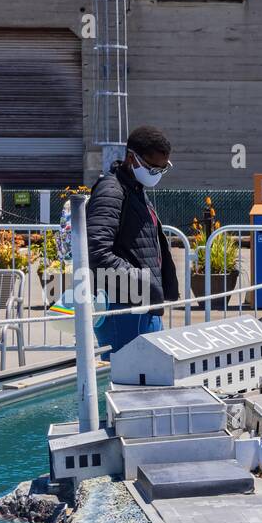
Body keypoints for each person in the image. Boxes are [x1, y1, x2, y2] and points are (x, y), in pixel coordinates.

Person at [86, 125, 179, 353]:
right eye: (152, 167)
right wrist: (144, 283)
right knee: (126, 381)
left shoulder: (134, 188)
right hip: (124, 309)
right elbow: (96, 252)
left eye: (161, 169)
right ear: (131, 158)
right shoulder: (112, 190)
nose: (156, 174)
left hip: (142, 306)